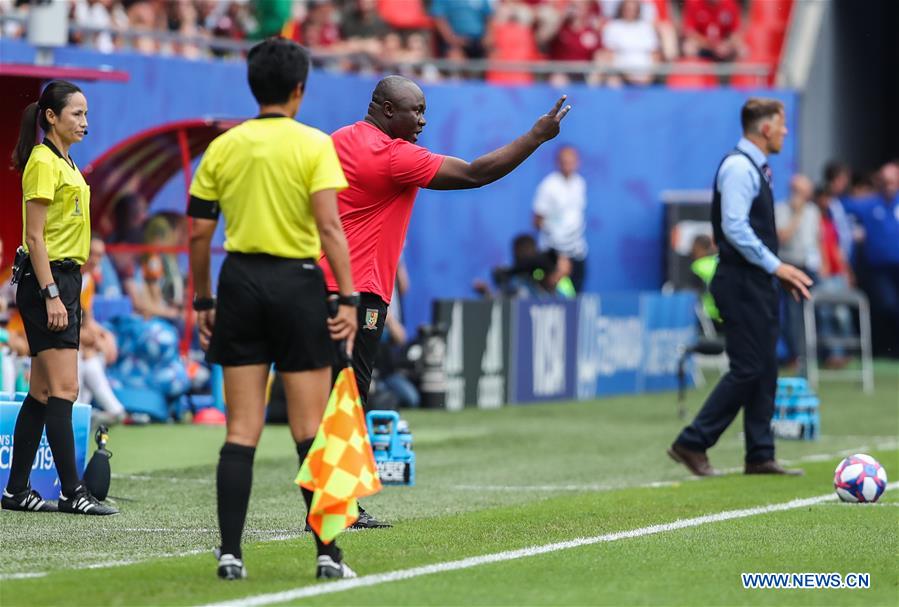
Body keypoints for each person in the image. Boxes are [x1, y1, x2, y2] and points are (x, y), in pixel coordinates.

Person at [187, 38, 358, 581]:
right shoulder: (315, 145)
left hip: (238, 281)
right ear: (299, 89)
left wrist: (203, 299)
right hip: (298, 284)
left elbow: (196, 231)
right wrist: (349, 297)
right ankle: (328, 556)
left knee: (241, 430)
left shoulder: (224, 147)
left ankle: (230, 554)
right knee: (310, 430)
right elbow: (330, 228)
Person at [667, 98, 813, 477]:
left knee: (765, 367)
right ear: (765, 128)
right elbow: (734, 228)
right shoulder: (738, 167)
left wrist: (775, 272)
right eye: (782, 126)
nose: (785, 132)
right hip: (740, 280)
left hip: (757, 281)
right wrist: (777, 265)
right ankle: (692, 442)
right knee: (748, 368)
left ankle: (760, 454)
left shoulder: (757, 167)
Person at [1, 80, 117, 515]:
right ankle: (73, 492)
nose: (85, 122)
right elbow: (34, 236)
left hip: (65, 281)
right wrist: (51, 293)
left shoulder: (67, 161)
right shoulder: (43, 162)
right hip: (47, 282)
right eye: (76, 114)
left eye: (86, 114)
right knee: (65, 387)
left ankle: (15, 491)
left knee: (43, 391)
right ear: (51, 117)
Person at [532, 145, 588, 292]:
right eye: (564, 161)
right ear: (558, 162)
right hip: (554, 253)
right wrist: (559, 254)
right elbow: (537, 220)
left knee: (576, 296)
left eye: (571, 161)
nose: (568, 165)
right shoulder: (548, 186)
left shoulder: (580, 183)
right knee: (556, 296)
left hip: (577, 251)